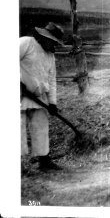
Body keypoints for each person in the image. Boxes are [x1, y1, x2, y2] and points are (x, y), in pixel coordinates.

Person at [20, 22, 64, 171]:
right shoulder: (26, 43)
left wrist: (52, 102)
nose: (52, 44)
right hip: (19, 94)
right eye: (51, 40)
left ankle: (44, 162)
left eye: (54, 42)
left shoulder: (50, 55)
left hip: (39, 98)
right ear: (43, 36)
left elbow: (52, 80)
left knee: (41, 128)